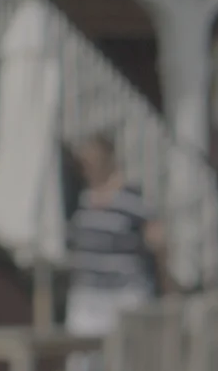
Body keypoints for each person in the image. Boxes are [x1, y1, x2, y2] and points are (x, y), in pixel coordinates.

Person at [62, 134, 167, 371]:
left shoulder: (132, 199)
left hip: (124, 294)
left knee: (124, 360)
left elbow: (158, 241)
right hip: (87, 295)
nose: (87, 168)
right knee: (81, 360)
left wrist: (165, 284)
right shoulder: (80, 198)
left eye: (93, 161)